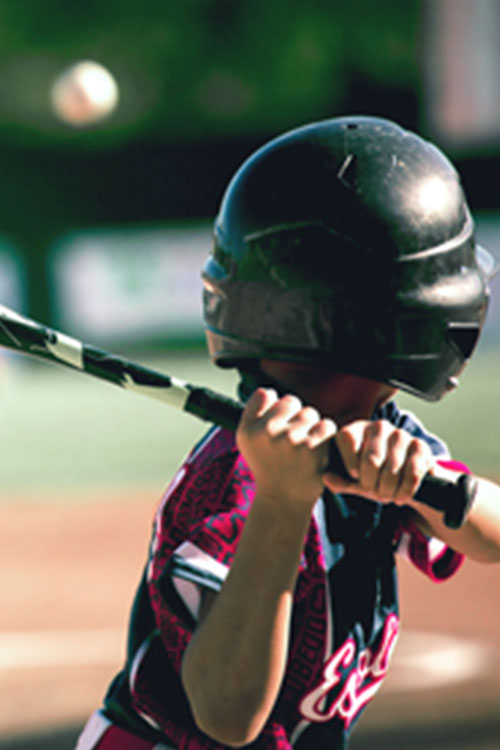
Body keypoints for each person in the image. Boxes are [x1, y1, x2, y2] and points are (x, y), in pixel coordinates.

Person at [75, 116, 500, 750]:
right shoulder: (234, 483)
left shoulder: (382, 433)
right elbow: (226, 715)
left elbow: (491, 534)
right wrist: (282, 503)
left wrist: (419, 484)